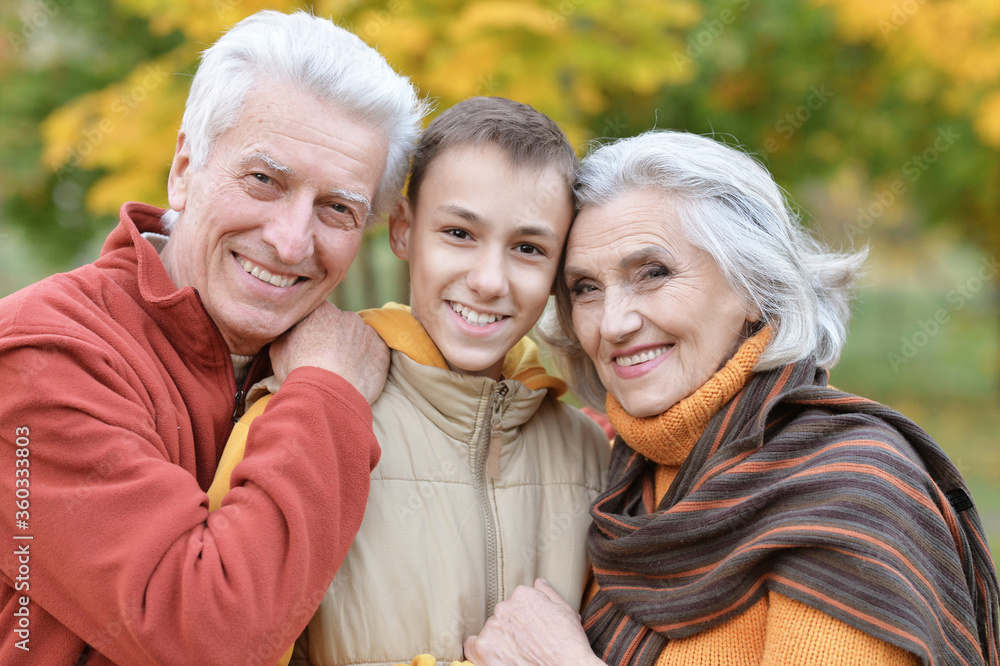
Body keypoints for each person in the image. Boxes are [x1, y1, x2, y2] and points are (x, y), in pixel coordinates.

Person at [462, 130, 999, 665]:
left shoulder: (852, 494)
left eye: (653, 273)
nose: (613, 323)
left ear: (753, 285)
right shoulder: (609, 470)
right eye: (586, 288)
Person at [0, 10, 427, 664]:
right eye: (264, 180)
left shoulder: (362, 361)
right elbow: (205, 635)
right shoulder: (40, 354)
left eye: (337, 208)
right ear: (183, 169)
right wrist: (326, 398)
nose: (290, 241)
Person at [212, 96, 611, 665]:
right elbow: (223, 641)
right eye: (459, 233)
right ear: (403, 230)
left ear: (558, 269)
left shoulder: (589, 452)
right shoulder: (300, 417)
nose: (489, 280)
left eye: (528, 248)